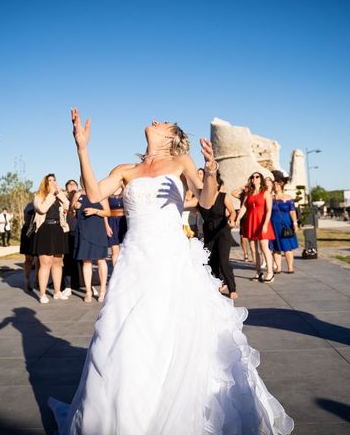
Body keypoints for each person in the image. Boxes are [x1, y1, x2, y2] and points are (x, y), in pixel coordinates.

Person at [48, 109, 293, 434]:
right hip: (135, 262)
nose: (154, 120)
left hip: (171, 260)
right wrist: (82, 148)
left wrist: (209, 171)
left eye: (162, 122)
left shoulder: (182, 163)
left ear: (172, 137)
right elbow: (94, 194)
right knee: (121, 337)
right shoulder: (126, 169)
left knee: (172, 334)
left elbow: (206, 201)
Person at [195, 170, 238, 299]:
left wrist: (232, 219)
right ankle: (219, 281)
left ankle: (232, 288)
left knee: (223, 261)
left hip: (223, 231)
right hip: (209, 232)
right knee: (210, 261)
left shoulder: (223, 196)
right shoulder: (200, 197)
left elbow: (232, 211)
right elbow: (190, 206)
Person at [32, 174, 70, 303]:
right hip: (45, 230)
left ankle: (57, 291)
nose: (52, 182)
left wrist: (58, 193)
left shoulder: (58, 196)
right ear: (45, 183)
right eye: (50, 180)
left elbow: (67, 203)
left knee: (58, 263)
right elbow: (42, 209)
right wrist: (50, 195)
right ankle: (42, 294)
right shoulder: (39, 196)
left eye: (54, 180)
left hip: (58, 229)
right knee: (45, 263)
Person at [71, 184, 111, 302]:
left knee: (100, 260)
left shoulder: (101, 194)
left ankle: (103, 290)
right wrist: (74, 207)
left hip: (98, 231)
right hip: (83, 231)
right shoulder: (78, 195)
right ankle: (88, 292)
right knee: (86, 261)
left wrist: (95, 211)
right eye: (83, 180)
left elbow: (108, 212)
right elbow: (71, 213)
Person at [236, 172, 276, 282]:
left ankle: (270, 272)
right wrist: (238, 218)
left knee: (264, 247)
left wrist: (265, 224)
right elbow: (244, 207)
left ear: (261, 179)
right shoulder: (249, 192)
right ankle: (258, 272)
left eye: (257, 176)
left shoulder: (266, 192)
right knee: (253, 249)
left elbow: (268, 210)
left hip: (262, 221)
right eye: (252, 177)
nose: (254, 178)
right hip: (250, 221)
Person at [269, 174, 299, 274]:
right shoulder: (270, 198)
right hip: (273, 225)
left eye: (277, 184)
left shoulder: (288, 198)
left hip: (285, 224)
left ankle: (290, 267)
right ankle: (278, 267)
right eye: (274, 184)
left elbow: (292, 211)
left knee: (287, 247)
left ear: (281, 186)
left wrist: (295, 223)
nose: (275, 186)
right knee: (275, 247)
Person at [63, 179, 81, 292]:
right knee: (68, 259)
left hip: (79, 231)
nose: (71, 186)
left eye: (73, 184)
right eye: (69, 184)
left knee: (80, 258)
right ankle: (67, 285)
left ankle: (79, 282)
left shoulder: (81, 197)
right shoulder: (63, 199)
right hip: (67, 231)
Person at [107, 186, 127, 267]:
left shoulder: (126, 190)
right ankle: (116, 273)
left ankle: (126, 272)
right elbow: (105, 210)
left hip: (125, 221)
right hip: (112, 222)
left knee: (126, 249)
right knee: (114, 250)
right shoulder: (108, 192)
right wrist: (106, 226)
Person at [19, 201, 36, 291]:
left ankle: (30, 279)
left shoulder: (29, 204)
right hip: (30, 231)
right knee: (30, 258)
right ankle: (28, 278)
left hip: (31, 231)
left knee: (32, 259)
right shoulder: (30, 205)